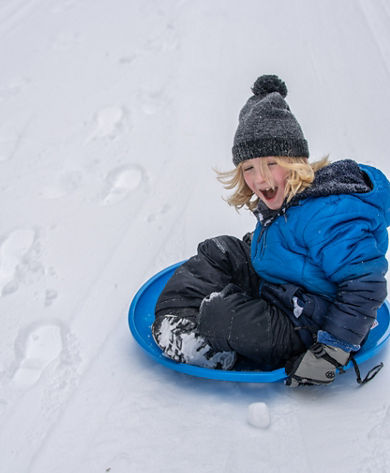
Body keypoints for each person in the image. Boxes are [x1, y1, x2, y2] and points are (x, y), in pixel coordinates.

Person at [152, 74, 390, 386]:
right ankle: (177, 320)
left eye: (270, 163)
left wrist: (332, 352)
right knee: (221, 250)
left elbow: (364, 285)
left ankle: (218, 350)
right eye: (249, 168)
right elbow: (287, 244)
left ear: (295, 160)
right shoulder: (287, 200)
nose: (259, 179)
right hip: (281, 288)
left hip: (307, 324)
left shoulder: (327, 214)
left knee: (223, 314)